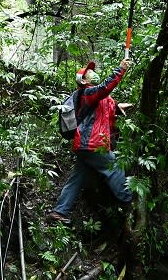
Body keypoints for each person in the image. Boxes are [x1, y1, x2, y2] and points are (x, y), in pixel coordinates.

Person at [48, 58, 133, 224]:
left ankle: (59, 211)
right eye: (89, 72)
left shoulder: (96, 97)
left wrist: (118, 107)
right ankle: (128, 201)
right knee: (114, 167)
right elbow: (103, 89)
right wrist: (120, 69)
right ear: (83, 80)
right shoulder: (86, 93)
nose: (93, 73)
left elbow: (106, 103)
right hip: (91, 143)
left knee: (78, 177)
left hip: (84, 145)